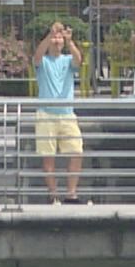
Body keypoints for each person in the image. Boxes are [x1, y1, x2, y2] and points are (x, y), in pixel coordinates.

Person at [33, 22, 87, 204]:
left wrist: (70, 42)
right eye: (54, 37)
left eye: (59, 37)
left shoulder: (67, 60)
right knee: (48, 157)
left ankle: (71, 193)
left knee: (76, 151)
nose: (57, 40)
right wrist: (50, 34)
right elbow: (37, 56)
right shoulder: (44, 62)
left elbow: (79, 60)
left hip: (66, 113)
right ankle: (53, 195)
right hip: (46, 114)